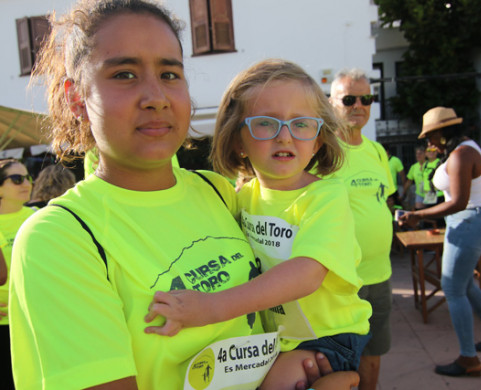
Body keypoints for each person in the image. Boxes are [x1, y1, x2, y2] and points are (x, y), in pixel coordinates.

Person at [9, 1, 338, 389]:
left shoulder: (217, 192)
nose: (156, 97)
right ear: (77, 98)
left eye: (169, 73)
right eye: (125, 74)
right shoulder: (58, 239)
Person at [146, 59, 371, 390]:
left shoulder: (326, 197)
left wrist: (210, 308)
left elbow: (306, 274)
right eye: (266, 124)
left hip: (329, 337)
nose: (285, 137)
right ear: (238, 140)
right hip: (276, 338)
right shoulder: (242, 195)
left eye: (302, 124)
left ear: (319, 140)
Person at [399, 106, 481, 377]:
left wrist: (416, 215)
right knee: (465, 283)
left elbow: (458, 202)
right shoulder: (471, 149)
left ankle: (468, 359)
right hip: (473, 221)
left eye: (431, 136)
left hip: (467, 222)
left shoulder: (462, 154)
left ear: (444, 132)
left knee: (453, 288)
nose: (428, 142)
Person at [328, 68, 394, 390]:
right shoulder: (322, 156)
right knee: (340, 358)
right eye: (349, 98)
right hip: (343, 280)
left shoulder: (377, 151)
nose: (359, 105)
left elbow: (384, 201)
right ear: (331, 103)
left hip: (380, 275)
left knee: (374, 351)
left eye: (366, 98)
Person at [0, 158, 35, 390]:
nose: (27, 183)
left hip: (34, 318)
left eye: (28, 177)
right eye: (16, 179)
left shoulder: (40, 215)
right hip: (4, 322)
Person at [401, 145, 426, 210]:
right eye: (416, 154)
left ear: (425, 154)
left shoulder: (429, 164)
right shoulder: (414, 167)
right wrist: (403, 193)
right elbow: (409, 181)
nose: (418, 155)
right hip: (419, 193)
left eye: (420, 153)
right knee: (418, 210)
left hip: (430, 193)